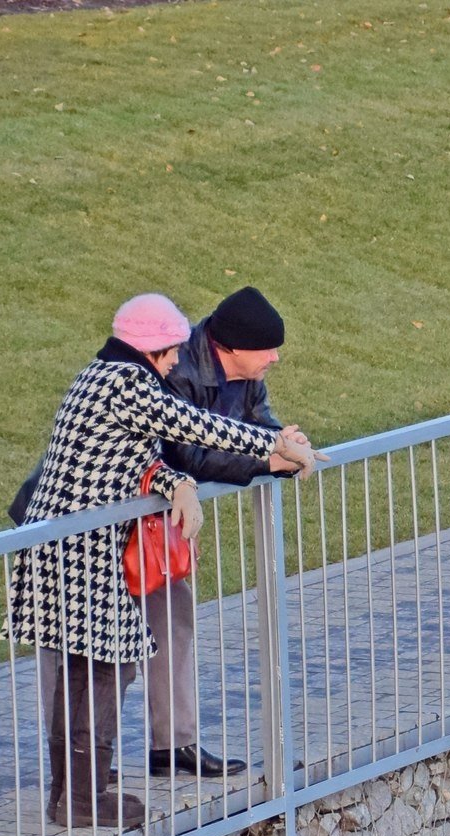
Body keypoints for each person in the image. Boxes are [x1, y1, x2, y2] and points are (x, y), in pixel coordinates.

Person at [2, 294, 309, 830]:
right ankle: (81, 799)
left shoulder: (100, 376)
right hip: (79, 551)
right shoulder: (128, 383)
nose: (174, 362)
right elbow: (195, 427)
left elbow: (135, 457)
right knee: (100, 670)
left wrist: (177, 483)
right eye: (170, 352)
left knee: (86, 672)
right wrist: (277, 446)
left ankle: (70, 793)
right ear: (152, 347)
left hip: (65, 545)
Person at [141, 286, 316, 777]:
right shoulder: (176, 372)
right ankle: (87, 768)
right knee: (101, 648)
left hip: (159, 524)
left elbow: (260, 424)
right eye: (268, 349)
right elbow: (188, 455)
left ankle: (171, 745)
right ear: (233, 348)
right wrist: (270, 457)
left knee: (172, 622)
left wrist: (285, 443)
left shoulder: (246, 376)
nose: (276, 358)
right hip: (116, 517)